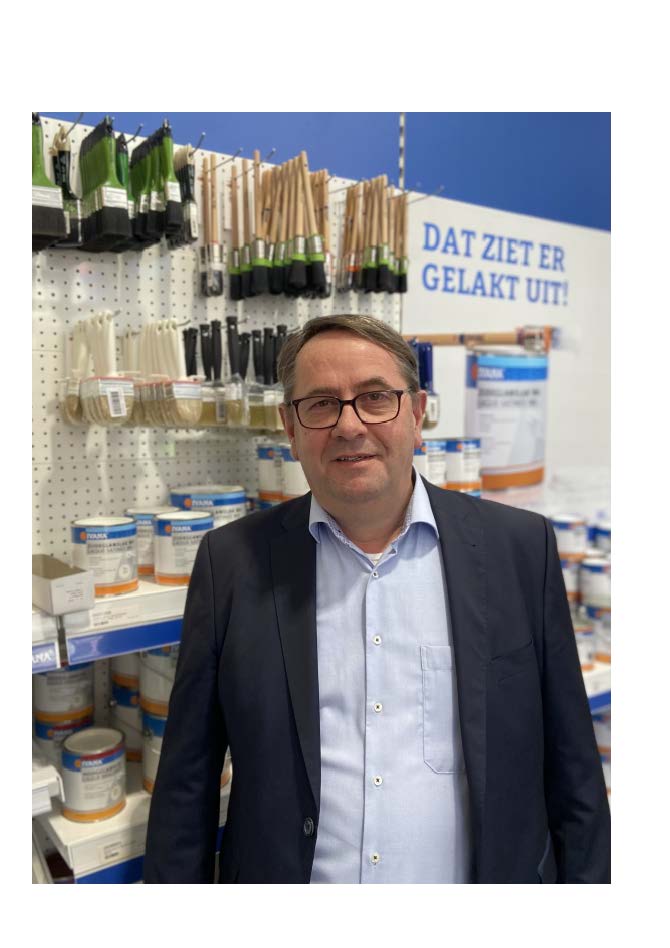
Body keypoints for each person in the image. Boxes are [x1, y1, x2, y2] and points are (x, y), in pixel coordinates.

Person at [143, 314, 610, 884]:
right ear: (290, 429)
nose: (349, 425)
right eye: (321, 404)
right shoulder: (232, 563)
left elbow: (573, 770)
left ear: (417, 415)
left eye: (375, 398)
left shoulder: (519, 549)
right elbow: (187, 782)